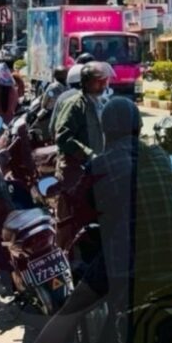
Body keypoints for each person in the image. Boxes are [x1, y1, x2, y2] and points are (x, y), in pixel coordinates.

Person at [0, 97, 172, 343]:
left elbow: (79, 208)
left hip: (130, 261)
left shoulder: (101, 164)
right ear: (139, 126)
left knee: (70, 311)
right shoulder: (160, 156)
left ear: (104, 130)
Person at [53, 62, 113, 250]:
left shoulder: (100, 103)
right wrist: (88, 154)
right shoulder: (75, 105)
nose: (103, 85)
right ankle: (63, 256)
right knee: (68, 217)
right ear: (86, 83)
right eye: (98, 82)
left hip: (95, 169)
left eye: (105, 81)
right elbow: (62, 136)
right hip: (74, 170)